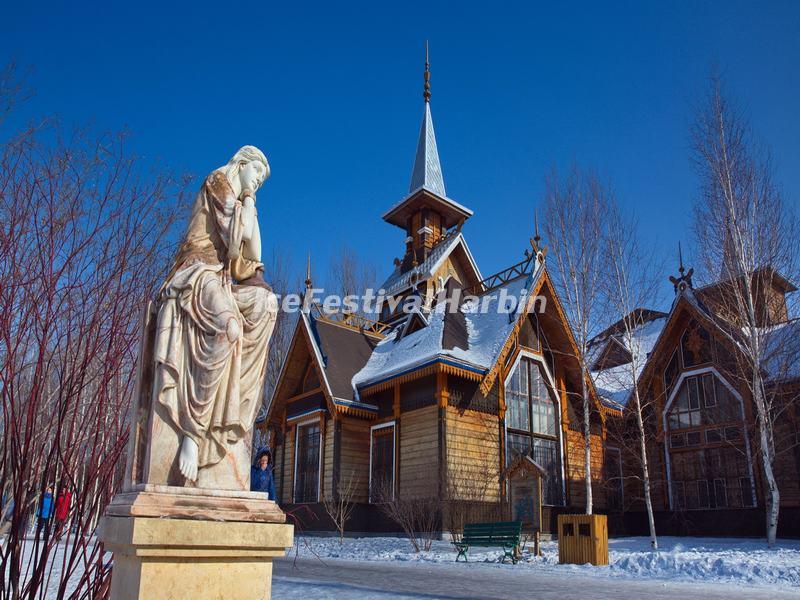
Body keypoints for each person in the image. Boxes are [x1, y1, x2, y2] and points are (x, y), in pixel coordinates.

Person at [152, 146, 278, 488]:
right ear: (242, 164)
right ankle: (193, 435)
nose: (258, 182)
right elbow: (238, 240)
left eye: (263, 180)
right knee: (229, 327)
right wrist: (249, 202)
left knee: (268, 306)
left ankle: (234, 415)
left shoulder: (241, 203)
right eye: (256, 174)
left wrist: (250, 202)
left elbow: (253, 255)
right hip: (198, 272)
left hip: (221, 277)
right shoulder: (218, 182)